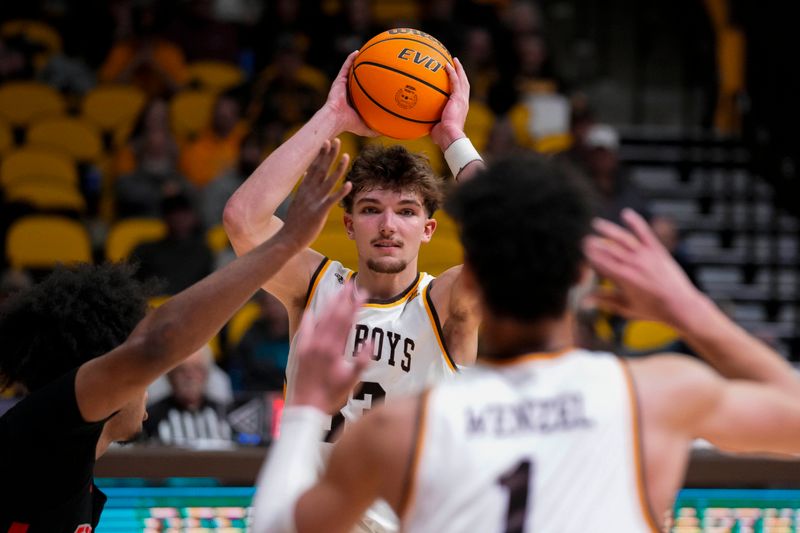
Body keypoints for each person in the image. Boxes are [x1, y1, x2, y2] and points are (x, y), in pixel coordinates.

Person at [252, 155, 800, 533]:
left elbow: (278, 526)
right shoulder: (654, 396)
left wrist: (303, 413)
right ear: (582, 276)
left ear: (472, 279)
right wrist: (690, 309)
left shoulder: (404, 428)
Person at [0, 141, 350, 532]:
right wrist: (285, 243)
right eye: (143, 377)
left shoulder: (70, 464)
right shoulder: (47, 429)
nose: (151, 385)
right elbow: (157, 345)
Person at [224, 51, 483, 531]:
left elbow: (514, 241)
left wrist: (454, 139)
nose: (388, 225)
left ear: (428, 229)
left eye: (406, 211)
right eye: (370, 209)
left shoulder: (445, 303)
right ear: (348, 224)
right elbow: (244, 219)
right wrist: (333, 117)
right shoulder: (313, 286)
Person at [143, 345, 233, 446]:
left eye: (197, 369)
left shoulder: (224, 414)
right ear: (169, 375)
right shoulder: (150, 417)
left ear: (206, 374)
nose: (190, 376)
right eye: (182, 370)